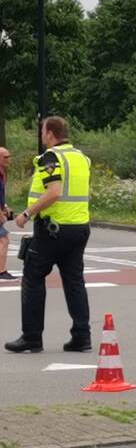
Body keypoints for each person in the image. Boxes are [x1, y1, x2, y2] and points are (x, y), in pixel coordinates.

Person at [4, 117, 93, 354]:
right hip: (79, 227)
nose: (42, 135)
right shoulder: (81, 158)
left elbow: (54, 192)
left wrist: (27, 214)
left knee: (32, 277)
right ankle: (82, 336)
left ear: (51, 133)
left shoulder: (51, 158)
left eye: (43, 131)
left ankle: (31, 337)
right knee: (74, 281)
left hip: (53, 230)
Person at [0, 147, 13, 280]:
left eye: (9, 157)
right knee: (3, 240)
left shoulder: (2, 173)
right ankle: (1, 271)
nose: (8, 159)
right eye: (5, 157)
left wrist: (4, 206)